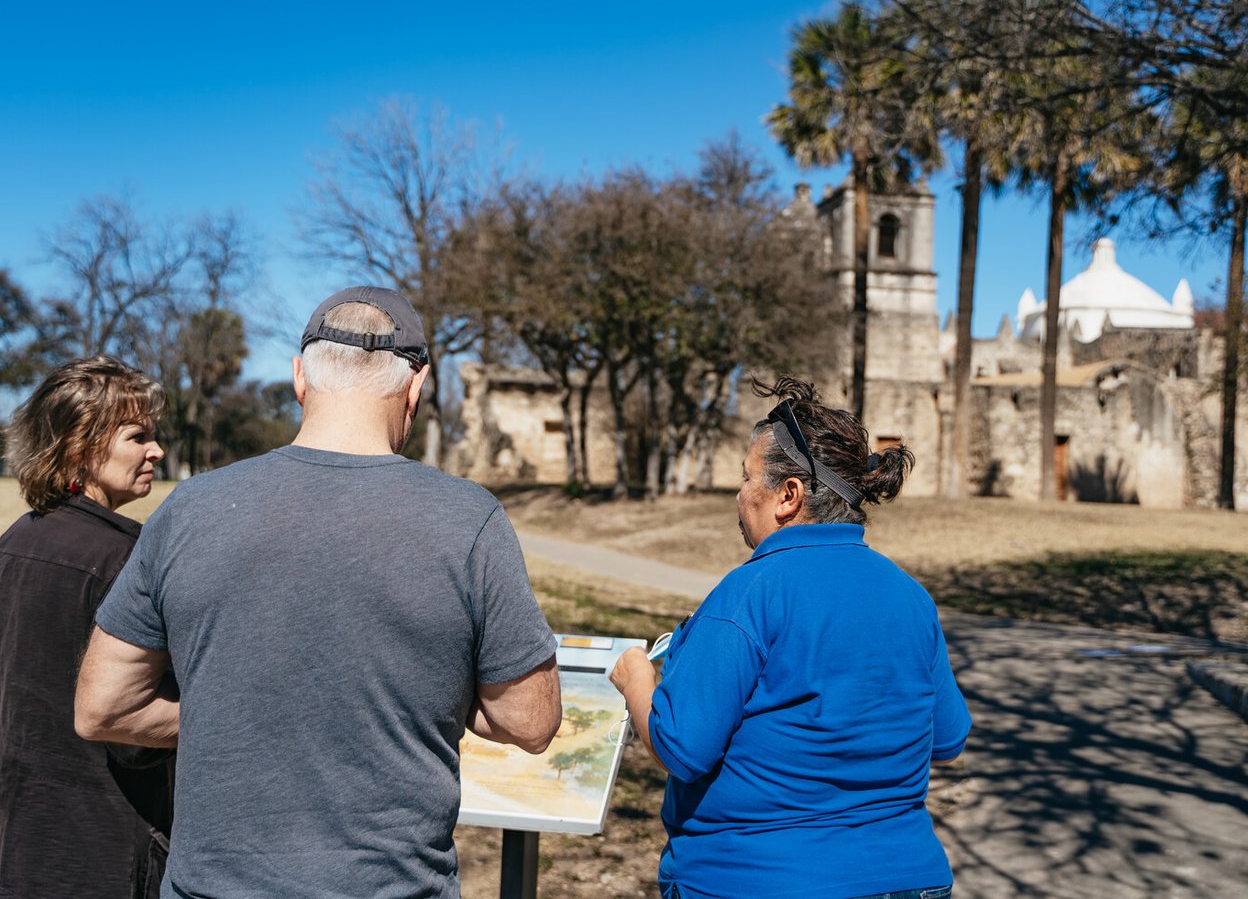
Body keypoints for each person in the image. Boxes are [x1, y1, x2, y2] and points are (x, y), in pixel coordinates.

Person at [75, 286, 562, 899]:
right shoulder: (469, 520)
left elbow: (103, 708)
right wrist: (426, 696)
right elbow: (532, 721)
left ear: (300, 378)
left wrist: (241, 709)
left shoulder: (190, 510)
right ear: (417, 386)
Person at [611, 376, 971, 899]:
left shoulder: (749, 593)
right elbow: (948, 738)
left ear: (787, 496)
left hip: (758, 879)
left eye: (746, 478)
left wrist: (636, 679)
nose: (738, 495)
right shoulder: (910, 596)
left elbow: (682, 746)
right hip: (910, 879)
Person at [0, 355, 174, 899]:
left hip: (20, 836)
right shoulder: (128, 562)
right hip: (106, 846)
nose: (157, 451)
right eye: (137, 436)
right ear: (79, 445)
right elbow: (133, 733)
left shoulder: (16, 539)